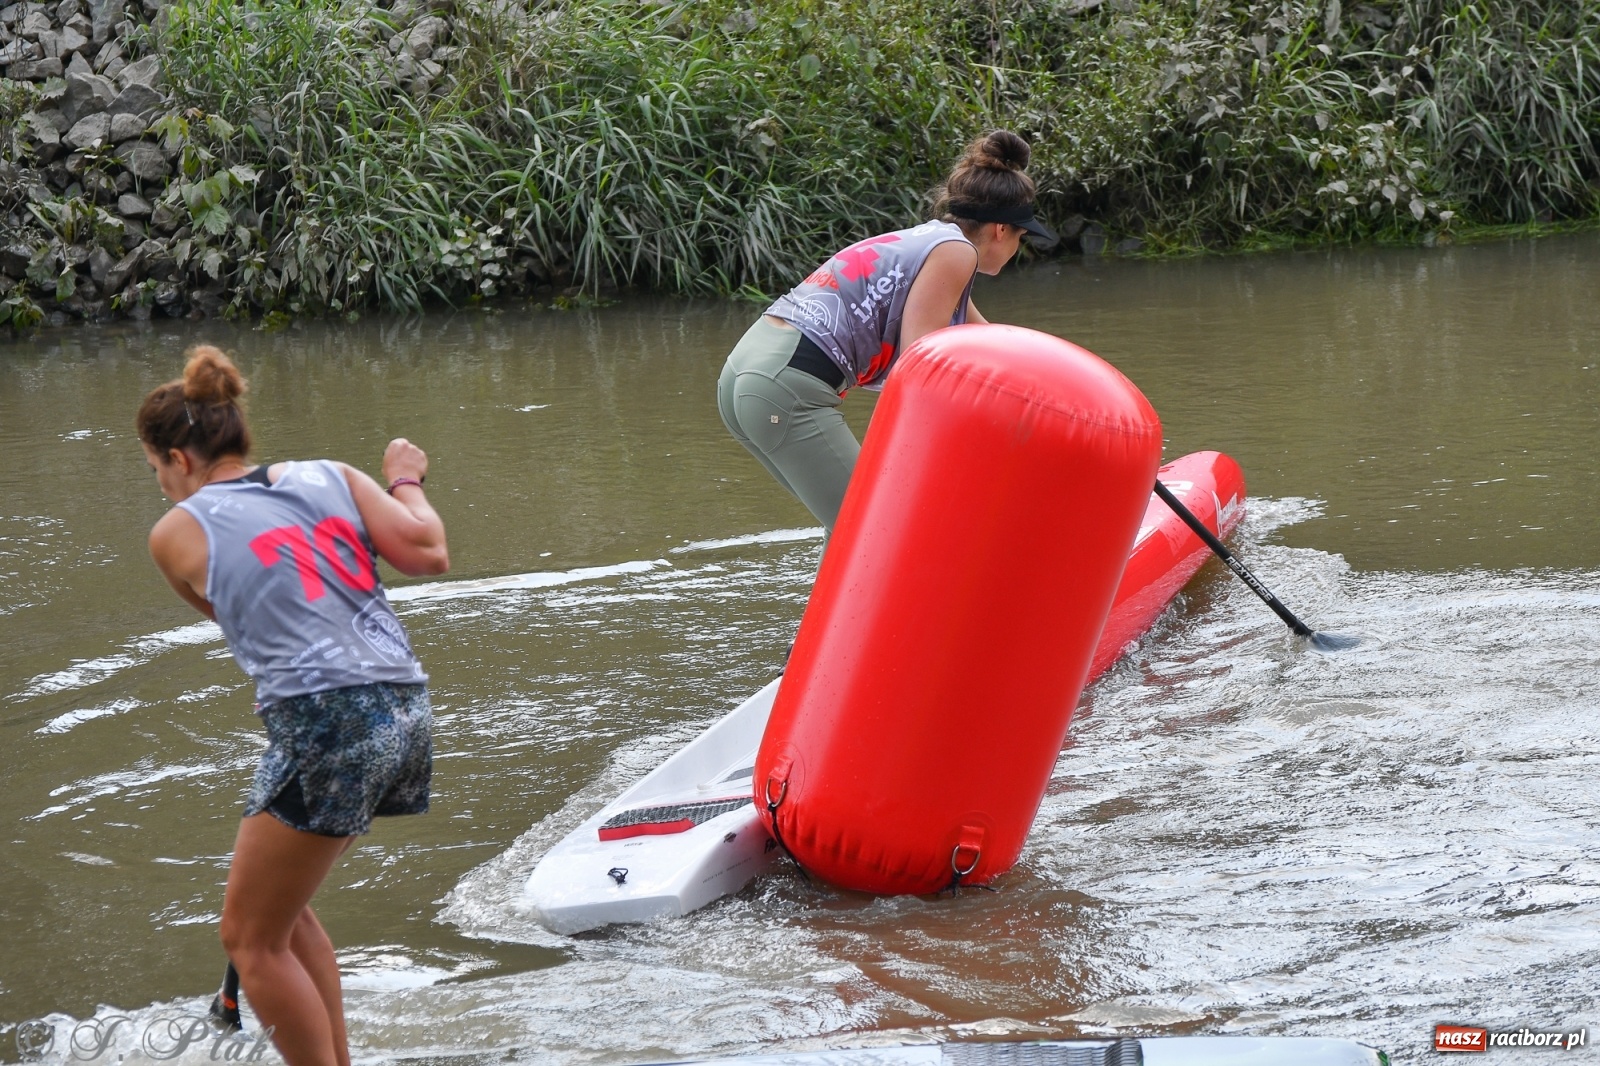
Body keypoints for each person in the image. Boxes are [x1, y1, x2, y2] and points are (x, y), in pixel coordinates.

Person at [138, 345, 448, 1066]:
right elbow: (428, 549)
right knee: (281, 915)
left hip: (325, 721)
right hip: (403, 708)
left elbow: (241, 616)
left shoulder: (176, 534)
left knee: (248, 940)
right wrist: (405, 479)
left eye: (157, 470)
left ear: (180, 460)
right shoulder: (332, 476)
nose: (160, 487)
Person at [716, 129, 1056, 533]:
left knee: (849, 526)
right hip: (785, 387)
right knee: (872, 529)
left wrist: (1048, 401)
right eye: (1021, 236)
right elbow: (920, 369)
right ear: (1001, 229)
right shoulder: (956, 254)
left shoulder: (930, 242)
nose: (1018, 247)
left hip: (745, 373)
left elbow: (990, 344)